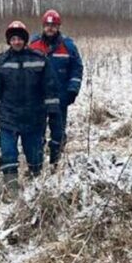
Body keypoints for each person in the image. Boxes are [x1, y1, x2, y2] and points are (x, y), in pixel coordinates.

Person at [0, 20, 61, 190]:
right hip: (8, 118)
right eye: (13, 39)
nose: (16, 42)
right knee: (8, 154)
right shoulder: (1, 62)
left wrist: (53, 112)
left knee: (35, 158)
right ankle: (12, 189)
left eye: (20, 39)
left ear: (25, 40)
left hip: (34, 118)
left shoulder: (39, 60)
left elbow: (50, 88)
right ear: (9, 41)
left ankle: (35, 188)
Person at [29, 9, 83, 166]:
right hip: (37, 98)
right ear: (43, 26)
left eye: (53, 25)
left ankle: (55, 163)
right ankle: (36, 166)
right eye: (47, 25)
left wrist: (73, 89)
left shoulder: (68, 46)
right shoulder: (33, 45)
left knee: (58, 132)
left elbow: (77, 68)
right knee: (36, 132)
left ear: (59, 26)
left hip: (60, 97)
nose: (50, 28)